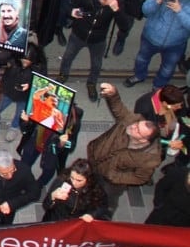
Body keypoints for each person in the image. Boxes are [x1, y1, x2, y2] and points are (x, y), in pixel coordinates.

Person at [86, 82, 161, 214]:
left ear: (143, 140)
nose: (133, 127)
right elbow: (119, 109)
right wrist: (113, 94)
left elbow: (140, 178)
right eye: (137, 124)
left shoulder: (150, 159)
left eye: (138, 130)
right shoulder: (133, 120)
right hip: (94, 160)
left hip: (110, 182)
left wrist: (115, 177)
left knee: (107, 201)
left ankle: (104, 215)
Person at [41, 158, 110, 222]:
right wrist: (52, 197)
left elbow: (103, 206)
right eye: (72, 178)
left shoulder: (95, 187)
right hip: (57, 220)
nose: (74, 183)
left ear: (88, 179)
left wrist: (92, 215)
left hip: (77, 223)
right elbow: (45, 205)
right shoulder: (61, 180)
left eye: (79, 180)